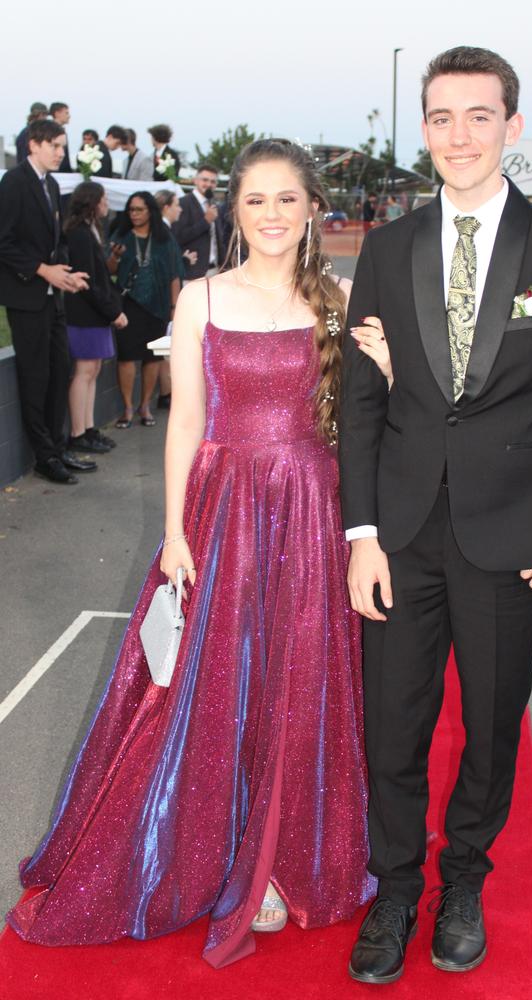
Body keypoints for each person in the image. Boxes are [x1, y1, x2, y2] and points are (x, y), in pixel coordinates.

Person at [7, 138, 389, 969]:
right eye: (257, 200)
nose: (273, 215)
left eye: (288, 199)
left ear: (311, 208)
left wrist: (387, 370)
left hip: (312, 509)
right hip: (223, 513)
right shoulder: (201, 299)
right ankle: (204, 851)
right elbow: (184, 421)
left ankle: (283, 858)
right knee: (207, 685)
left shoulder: (341, 300)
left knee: (299, 679)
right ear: (236, 212)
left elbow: (369, 418)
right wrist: (176, 531)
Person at [340, 45, 532, 985]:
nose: (458, 135)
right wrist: (360, 535)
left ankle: (462, 876)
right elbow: (361, 403)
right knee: (393, 726)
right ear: (421, 129)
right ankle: (395, 886)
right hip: (400, 533)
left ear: (512, 125)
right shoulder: (386, 249)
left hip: (514, 539)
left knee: (496, 721)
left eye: (478, 116)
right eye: (440, 117)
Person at [0, 119, 96, 484]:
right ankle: (44, 457)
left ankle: (58, 449)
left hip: (52, 297)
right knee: (36, 377)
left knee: (60, 373)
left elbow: (54, 244)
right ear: (34, 145)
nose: (61, 153)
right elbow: (4, 242)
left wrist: (65, 274)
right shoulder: (14, 182)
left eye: (62, 146)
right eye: (55, 145)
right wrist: (42, 270)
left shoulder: (52, 185)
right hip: (25, 299)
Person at [63, 182, 127, 454]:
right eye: (103, 199)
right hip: (83, 314)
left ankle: (89, 429)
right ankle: (78, 433)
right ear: (92, 202)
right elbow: (88, 280)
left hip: (93, 315)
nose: (106, 205)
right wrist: (112, 311)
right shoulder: (79, 233)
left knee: (93, 371)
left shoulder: (90, 231)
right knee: (84, 371)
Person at [110, 191, 180, 428]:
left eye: (139, 209)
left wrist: (173, 308)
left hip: (158, 305)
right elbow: (109, 269)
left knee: (152, 358)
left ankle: (145, 406)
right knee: (127, 356)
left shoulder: (164, 238)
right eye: (131, 210)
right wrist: (115, 257)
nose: (135, 214)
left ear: (150, 211)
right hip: (129, 305)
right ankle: (127, 407)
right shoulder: (122, 236)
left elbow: (174, 275)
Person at [154, 188, 192, 408]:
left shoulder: (165, 232)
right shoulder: (163, 233)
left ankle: (167, 393)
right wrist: (174, 307)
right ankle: (167, 394)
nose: (180, 209)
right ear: (166, 207)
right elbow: (171, 273)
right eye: (177, 204)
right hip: (166, 303)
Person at [172, 163, 224, 280]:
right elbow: (178, 236)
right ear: (195, 181)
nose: (209, 184)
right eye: (205, 180)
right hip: (192, 272)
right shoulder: (183, 203)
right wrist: (205, 221)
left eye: (213, 182)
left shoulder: (214, 205)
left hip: (215, 270)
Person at [49, 103, 72, 173]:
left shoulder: (62, 130)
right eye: (66, 113)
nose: (69, 116)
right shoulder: (50, 131)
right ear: (57, 113)